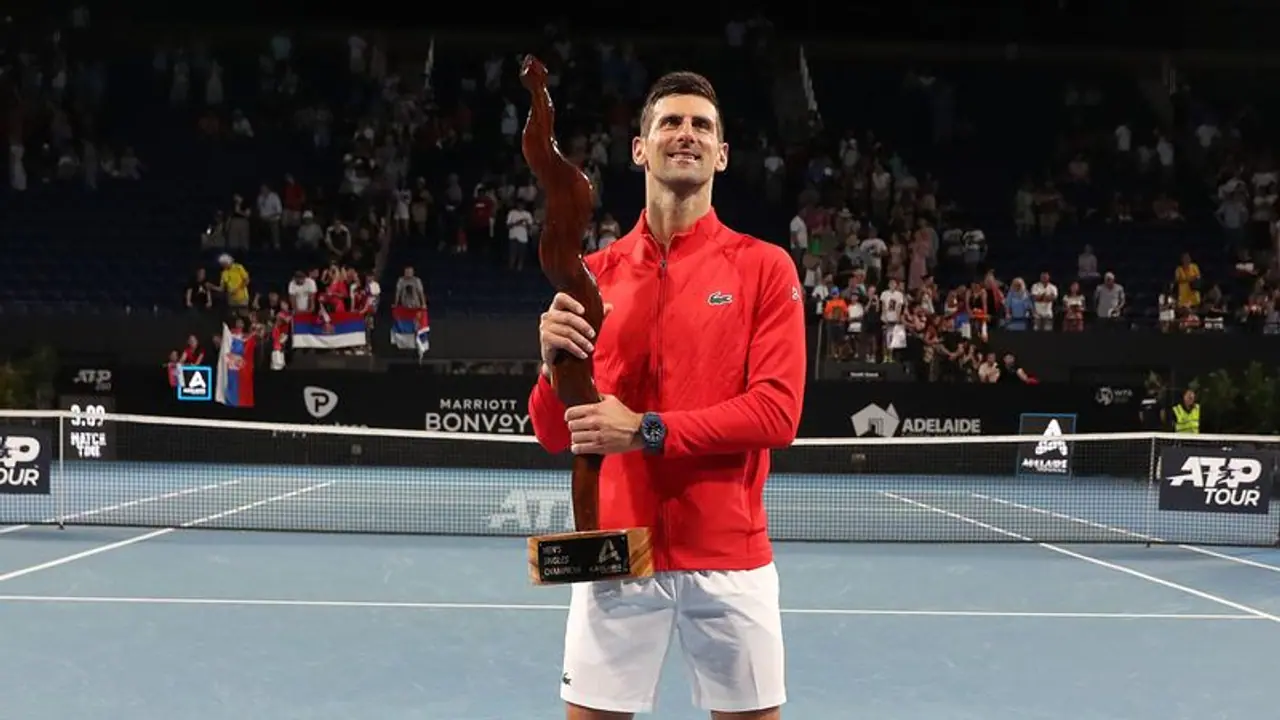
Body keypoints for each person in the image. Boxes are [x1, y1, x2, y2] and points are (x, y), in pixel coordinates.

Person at [528, 71, 807, 720]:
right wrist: (549, 370)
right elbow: (552, 432)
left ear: (722, 154)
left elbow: (777, 412)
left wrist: (646, 430)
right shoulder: (591, 275)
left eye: (702, 126)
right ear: (640, 148)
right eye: (671, 124)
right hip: (616, 551)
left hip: (730, 557)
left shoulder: (764, 267)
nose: (687, 135)